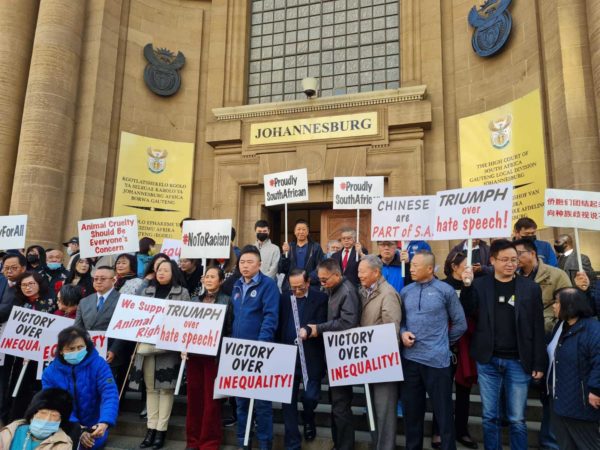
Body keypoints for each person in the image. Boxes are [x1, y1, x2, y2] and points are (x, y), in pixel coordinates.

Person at [463, 239, 547, 450]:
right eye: (505, 260)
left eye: (514, 260)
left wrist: (539, 362)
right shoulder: (480, 284)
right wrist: (466, 286)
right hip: (488, 360)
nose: (510, 264)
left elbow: (538, 326)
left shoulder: (530, 288)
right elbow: (467, 310)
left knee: (517, 419)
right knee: (489, 416)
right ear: (492, 260)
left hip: (519, 361)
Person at [400, 251, 467, 450]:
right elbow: (401, 322)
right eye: (411, 265)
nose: (411, 269)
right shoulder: (406, 291)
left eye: (416, 266)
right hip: (410, 361)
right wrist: (403, 333)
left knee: (444, 414)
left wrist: (443, 343)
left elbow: (460, 323)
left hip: (438, 362)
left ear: (430, 269)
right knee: (412, 414)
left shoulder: (444, 290)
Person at [300, 258, 360, 450]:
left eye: (325, 280)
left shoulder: (347, 291)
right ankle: (338, 443)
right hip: (333, 353)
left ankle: (344, 446)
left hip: (343, 355)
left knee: (341, 406)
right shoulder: (333, 288)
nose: (322, 283)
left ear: (337, 274)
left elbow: (347, 323)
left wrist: (319, 328)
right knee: (336, 405)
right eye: (320, 279)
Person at [231, 245, 279, 450]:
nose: (245, 266)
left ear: (259, 264)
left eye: (250, 262)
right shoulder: (236, 285)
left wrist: (261, 345)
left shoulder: (268, 286)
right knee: (241, 403)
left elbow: (270, 316)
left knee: (262, 404)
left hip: (259, 353)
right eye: (242, 262)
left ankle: (265, 444)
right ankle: (243, 443)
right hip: (238, 353)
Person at [138, 260, 190, 450]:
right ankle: (150, 429)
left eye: (166, 270)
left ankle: (161, 431)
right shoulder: (146, 291)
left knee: (165, 390)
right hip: (148, 344)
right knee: (151, 389)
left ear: (173, 272)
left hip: (169, 347)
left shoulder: (182, 293)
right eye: (159, 269)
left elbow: (186, 320)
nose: (161, 273)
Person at [42, 326, 119, 450]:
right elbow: (55, 405)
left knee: (89, 445)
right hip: (63, 425)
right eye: (71, 349)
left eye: (80, 347)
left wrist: (105, 422)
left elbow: (109, 393)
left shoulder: (99, 364)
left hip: (95, 426)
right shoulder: (50, 373)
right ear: (61, 350)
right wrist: (78, 430)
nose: (76, 351)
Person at [277, 269, 327, 450]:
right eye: (293, 288)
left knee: (310, 397)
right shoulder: (284, 299)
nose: (296, 291)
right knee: (287, 403)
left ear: (308, 282)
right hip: (287, 357)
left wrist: (308, 330)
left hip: (311, 357)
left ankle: (308, 418)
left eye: (300, 287)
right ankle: (292, 443)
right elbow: (279, 323)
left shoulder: (320, 299)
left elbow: (321, 322)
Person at [434, 251, 478, 449]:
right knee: (441, 389)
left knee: (464, 390)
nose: (470, 268)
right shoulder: (441, 286)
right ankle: (438, 430)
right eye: (466, 265)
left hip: (467, 343)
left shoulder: (474, 286)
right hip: (444, 342)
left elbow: (471, 311)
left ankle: (462, 430)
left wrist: (468, 286)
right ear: (454, 267)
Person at [357, 255, 402, 450]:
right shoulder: (363, 291)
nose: (359, 275)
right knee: (373, 409)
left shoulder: (388, 294)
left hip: (383, 361)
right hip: (368, 360)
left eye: (362, 272)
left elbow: (391, 330)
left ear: (376, 273)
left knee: (384, 412)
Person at [185, 266, 232, 450]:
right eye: (207, 276)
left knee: (211, 402)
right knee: (194, 398)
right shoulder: (194, 300)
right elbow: (185, 327)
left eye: (213, 277)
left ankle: (209, 443)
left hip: (214, 357)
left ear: (221, 281)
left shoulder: (227, 301)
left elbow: (228, 330)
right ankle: (193, 441)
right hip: (194, 357)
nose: (209, 279)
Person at [547, 288, 600, 450]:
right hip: (561, 401)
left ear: (570, 305)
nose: (554, 306)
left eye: (557, 302)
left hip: (582, 404)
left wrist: (596, 390)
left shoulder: (592, 329)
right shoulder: (562, 326)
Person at [5, 271, 57, 422]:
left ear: (39, 284)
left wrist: (35, 350)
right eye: (23, 285)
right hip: (20, 354)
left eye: (31, 284)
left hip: (42, 355)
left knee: (36, 387)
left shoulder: (51, 302)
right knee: (17, 388)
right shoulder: (19, 302)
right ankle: (14, 419)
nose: (27, 288)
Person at [74, 266, 133, 390]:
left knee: (108, 390)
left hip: (112, 354)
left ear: (114, 280)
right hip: (88, 352)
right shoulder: (84, 301)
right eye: (96, 279)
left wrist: (114, 350)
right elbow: (78, 328)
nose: (98, 281)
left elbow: (124, 329)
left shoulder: (123, 300)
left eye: (103, 278)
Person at [514, 238, 572, 333]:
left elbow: (568, 304)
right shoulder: (514, 276)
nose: (515, 257)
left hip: (547, 329)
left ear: (532, 253)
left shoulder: (557, 274)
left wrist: (553, 326)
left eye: (519, 253)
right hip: (521, 330)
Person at [0, 253, 27, 424]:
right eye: (5, 267)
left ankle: (3, 415)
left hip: (13, 341)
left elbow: (9, 310)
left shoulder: (26, 285)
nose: (8, 271)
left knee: (4, 379)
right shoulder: (1, 280)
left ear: (23, 268)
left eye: (13, 268)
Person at [0, 388, 73, 450]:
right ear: (32, 415)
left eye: (54, 415)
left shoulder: (63, 444)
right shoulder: (11, 431)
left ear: (60, 421)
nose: (47, 419)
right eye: (43, 413)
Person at [279, 219, 324, 289]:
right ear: (294, 232)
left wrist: (307, 278)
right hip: (292, 286)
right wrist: (284, 254)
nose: (301, 232)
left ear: (308, 232)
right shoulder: (289, 247)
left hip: (310, 285)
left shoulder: (315, 247)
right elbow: (282, 269)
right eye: (298, 229)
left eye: (304, 229)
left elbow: (320, 266)